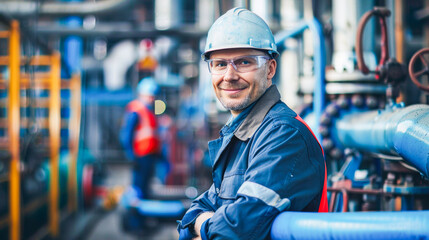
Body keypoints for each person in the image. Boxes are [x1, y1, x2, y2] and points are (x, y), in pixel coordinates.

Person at [177, 7, 328, 240]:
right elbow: (195, 211)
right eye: (219, 64)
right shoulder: (242, 134)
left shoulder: (283, 135)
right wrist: (201, 223)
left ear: (270, 69)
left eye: (244, 62)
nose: (229, 75)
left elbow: (237, 230)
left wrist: (203, 226)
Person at [120, 77, 161, 199]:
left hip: (149, 155)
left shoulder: (148, 111)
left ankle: (143, 214)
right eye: (149, 96)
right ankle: (136, 216)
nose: (152, 99)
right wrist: (131, 155)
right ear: (142, 94)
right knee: (138, 189)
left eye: (153, 96)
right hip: (140, 156)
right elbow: (125, 135)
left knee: (145, 187)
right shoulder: (136, 111)